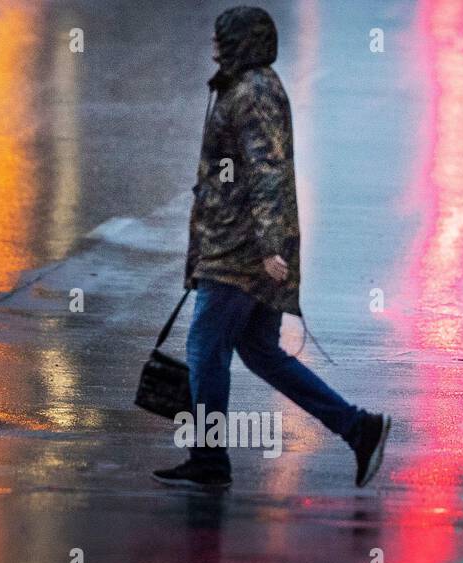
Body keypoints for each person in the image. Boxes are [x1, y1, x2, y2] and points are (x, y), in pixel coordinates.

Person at [154, 6, 390, 490]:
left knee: (204, 349)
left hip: (240, 250)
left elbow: (268, 172)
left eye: (223, 39)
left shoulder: (254, 91)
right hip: (236, 241)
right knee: (260, 350)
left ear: (244, 42)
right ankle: (357, 427)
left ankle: (209, 459)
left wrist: (267, 245)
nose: (215, 47)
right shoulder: (243, 85)